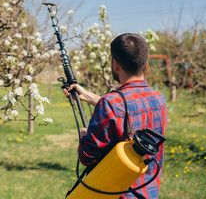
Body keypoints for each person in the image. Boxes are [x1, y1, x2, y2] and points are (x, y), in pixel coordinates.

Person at [64, 33, 167, 199]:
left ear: (115, 63)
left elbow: (86, 156)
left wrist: (84, 134)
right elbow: (127, 110)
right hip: (149, 193)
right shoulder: (159, 99)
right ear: (144, 62)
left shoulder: (111, 104)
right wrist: (87, 95)